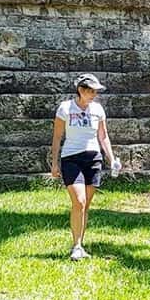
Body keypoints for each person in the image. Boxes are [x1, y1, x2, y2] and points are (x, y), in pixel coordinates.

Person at [50, 73, 117, 261]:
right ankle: (76, 246)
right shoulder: (65, 108)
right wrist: (54, 163)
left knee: (85, 205)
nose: (94, 94)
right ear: (81, 90)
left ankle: (80, 245)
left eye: (96, 91)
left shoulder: (98, 109)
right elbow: (57, 136)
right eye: (91, 91)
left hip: (93, 158)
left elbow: (103, 136)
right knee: (78, 201)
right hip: (71, 158)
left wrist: (111, 159)